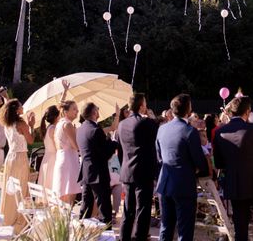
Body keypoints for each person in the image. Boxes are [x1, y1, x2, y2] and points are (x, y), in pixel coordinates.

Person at [213, 96, 253, 241]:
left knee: (240, 224)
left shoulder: (220, 132)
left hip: (235, 183)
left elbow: (218, 163)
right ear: (248, 111)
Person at [156, 94, 209, 241]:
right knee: (184, 230)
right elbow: (199, 160)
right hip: (184, 185)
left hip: (165, 182)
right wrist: (201, 169)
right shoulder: (190, 131)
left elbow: (159, 156)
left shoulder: (162, 129)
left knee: (166, 227)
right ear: (189, 109)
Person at [115, 93, 159, 241]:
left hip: (127, 171)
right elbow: (156, 132)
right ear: (141, 106)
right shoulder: (146, 123)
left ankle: (124, 237)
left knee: (128, 209)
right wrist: (151, 117)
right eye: (145, 103)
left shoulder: (122, 124)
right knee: (143, 209)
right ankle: (140, 237)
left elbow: (121, 150)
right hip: (143, 172)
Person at [77, 102, 119, 224]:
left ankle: (82, 233)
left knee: (86, 207)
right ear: (94, 113)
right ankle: (107, 236)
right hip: (98, 173)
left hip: (86, 172)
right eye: (98, 109)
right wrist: (113, 142)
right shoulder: (95, 130)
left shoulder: (81, 129)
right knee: (104, 208)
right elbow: (105, 153)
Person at [0, 99, 35, 234]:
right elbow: (31, 141)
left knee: (10, 189)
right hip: (20, 158)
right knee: (21, 188)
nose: (22, 107)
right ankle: (18, 221)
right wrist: (31, 125)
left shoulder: (7, 123)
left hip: (10, 157)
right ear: (16, 109)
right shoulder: (21, 123)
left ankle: (7, 217)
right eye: (20, 106)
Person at [38, 79, 70, 190]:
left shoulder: (50, 127)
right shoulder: (53, 129)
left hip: (47, 159)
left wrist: (64, 92)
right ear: (57, 116)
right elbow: (58, 147)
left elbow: (59, 108)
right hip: (53, 160)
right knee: (52, 186)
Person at [52, 100, 81, 203]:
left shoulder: (59, 123)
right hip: (69, 160)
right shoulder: (68, 125)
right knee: (70, 192)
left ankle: (62, 218)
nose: (77, 111)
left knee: (63, 191)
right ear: (65, 112)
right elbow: (76, 146)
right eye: (74, 109)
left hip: (61, 158)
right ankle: (67, 218)